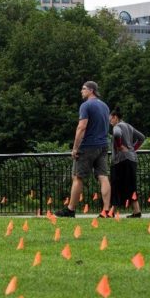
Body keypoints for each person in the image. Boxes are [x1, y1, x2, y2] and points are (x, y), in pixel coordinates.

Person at [56, 81, 112, 218]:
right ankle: (106, 210)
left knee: (77, 177)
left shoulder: (86, 105)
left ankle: (70, 209)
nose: (81, 91)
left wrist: (75, 148)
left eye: (83, 88)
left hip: (87, 146)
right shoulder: (104, 106)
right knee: (103, 177)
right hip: (103, 145)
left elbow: (81, 127)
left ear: (91, 90)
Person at [110, 108, 146, 218]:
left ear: (115, 117)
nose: (110, 121)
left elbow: (116, 134)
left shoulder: (117, 126)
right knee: (131, 185)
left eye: (110, 119)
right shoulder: (129, 126)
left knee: (116, 185)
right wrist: (133, 149)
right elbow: (142, 138)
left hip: (121, 160)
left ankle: (112, 211)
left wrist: (120, 146)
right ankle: (136, 211)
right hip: (132, 159)